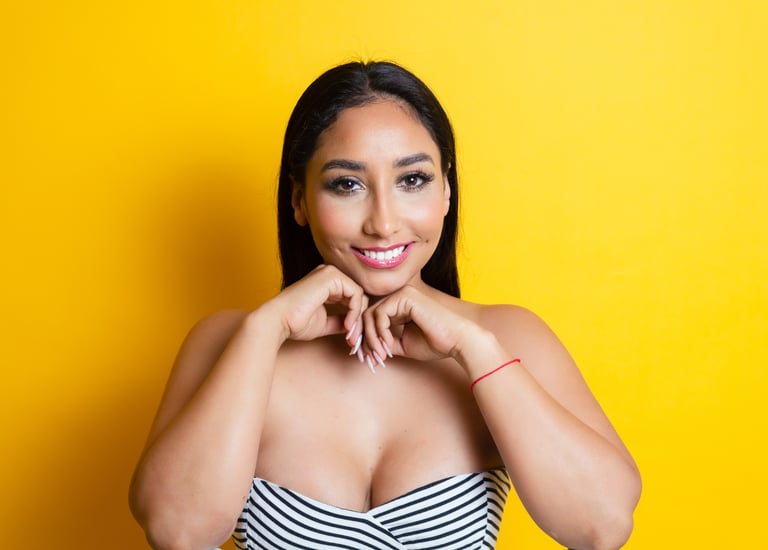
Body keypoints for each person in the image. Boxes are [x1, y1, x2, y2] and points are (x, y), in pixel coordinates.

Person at [129, 60, 641, 550]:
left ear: (447, 190)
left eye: (412, 180)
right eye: (347, 184)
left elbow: (601, 527)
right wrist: (266, 331)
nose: (383, 222)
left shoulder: (508, 336)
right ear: (300, 201)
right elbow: (177, 531)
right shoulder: (232, 341)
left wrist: (473, 349)